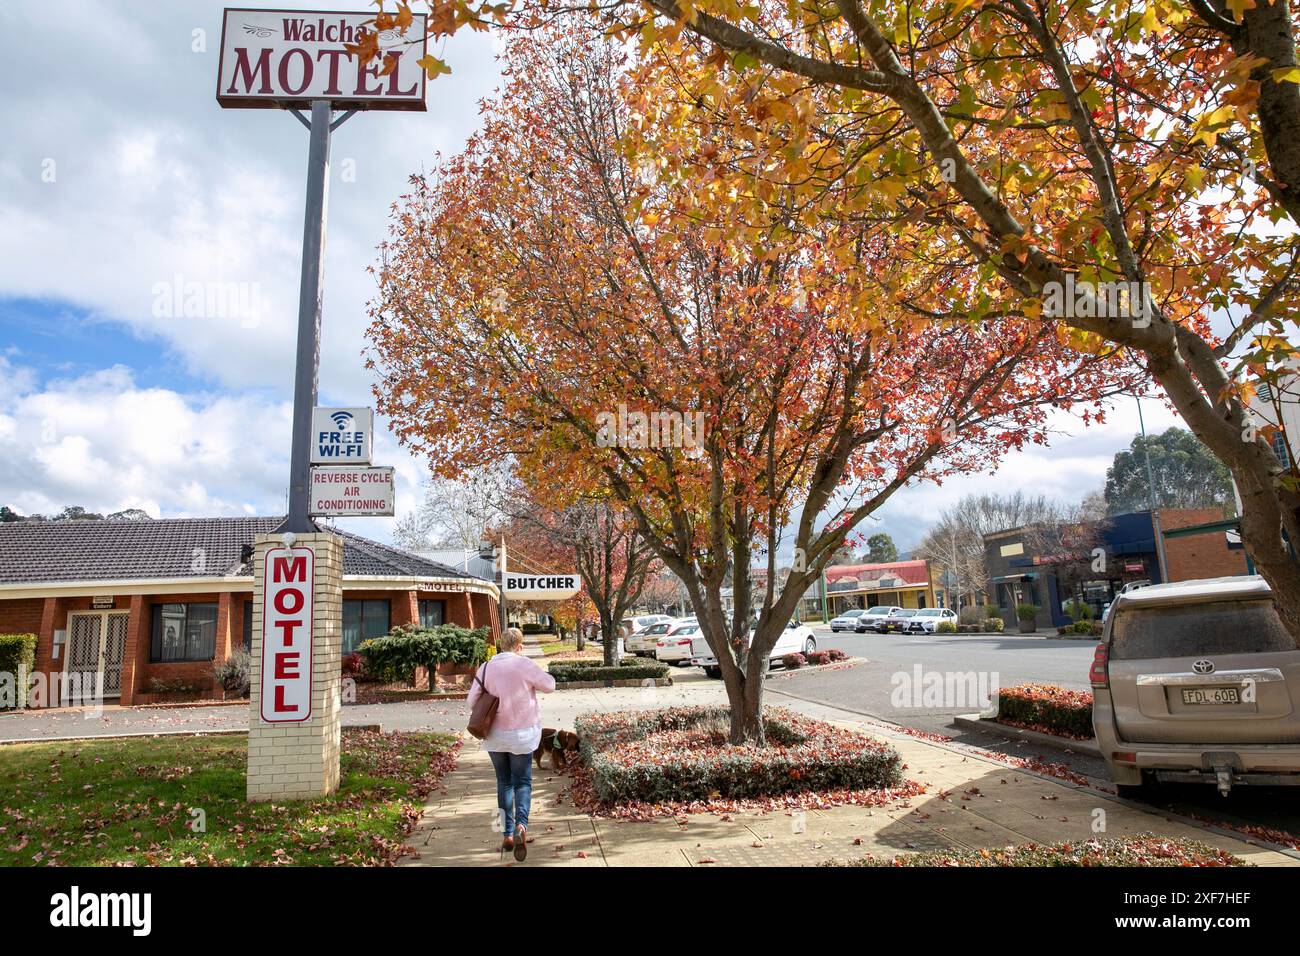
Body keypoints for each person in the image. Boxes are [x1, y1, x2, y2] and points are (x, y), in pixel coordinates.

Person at [466, 626, 556, 861]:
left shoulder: (485, 667)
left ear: (500, 645)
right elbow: (550, 685)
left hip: (494, 736)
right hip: (522, 735)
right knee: (522, 782)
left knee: (503, 783)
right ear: (520, 646)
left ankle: (506, 833)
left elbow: (470, 702)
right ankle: (521, 827)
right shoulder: (524, 664)